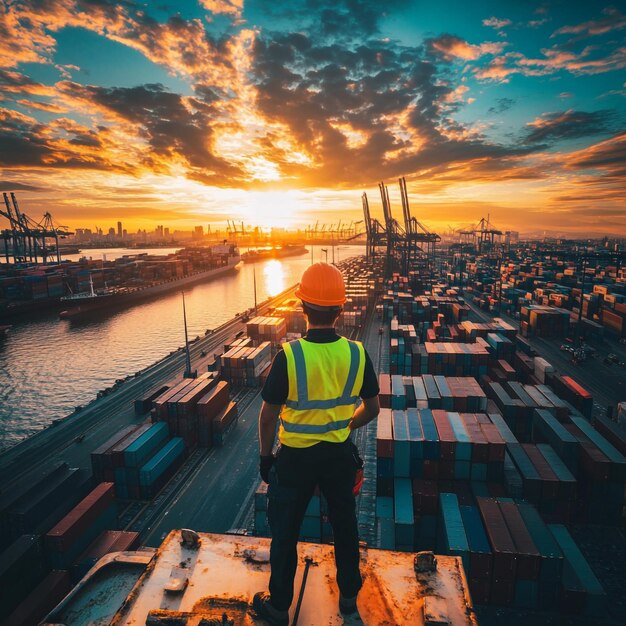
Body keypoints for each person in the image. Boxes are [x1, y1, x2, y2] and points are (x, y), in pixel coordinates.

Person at [253, 262, 380, 625]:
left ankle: (279, 607)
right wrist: (344, 427)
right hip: (338, 456)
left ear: (302, 306)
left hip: (294, 460)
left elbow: (267, 417)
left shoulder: (289, 356)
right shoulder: (357, 353)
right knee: (345, 527)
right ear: (340, 309)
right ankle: (349, 602)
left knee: (285, 533)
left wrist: (266, 459)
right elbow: (372, 408)